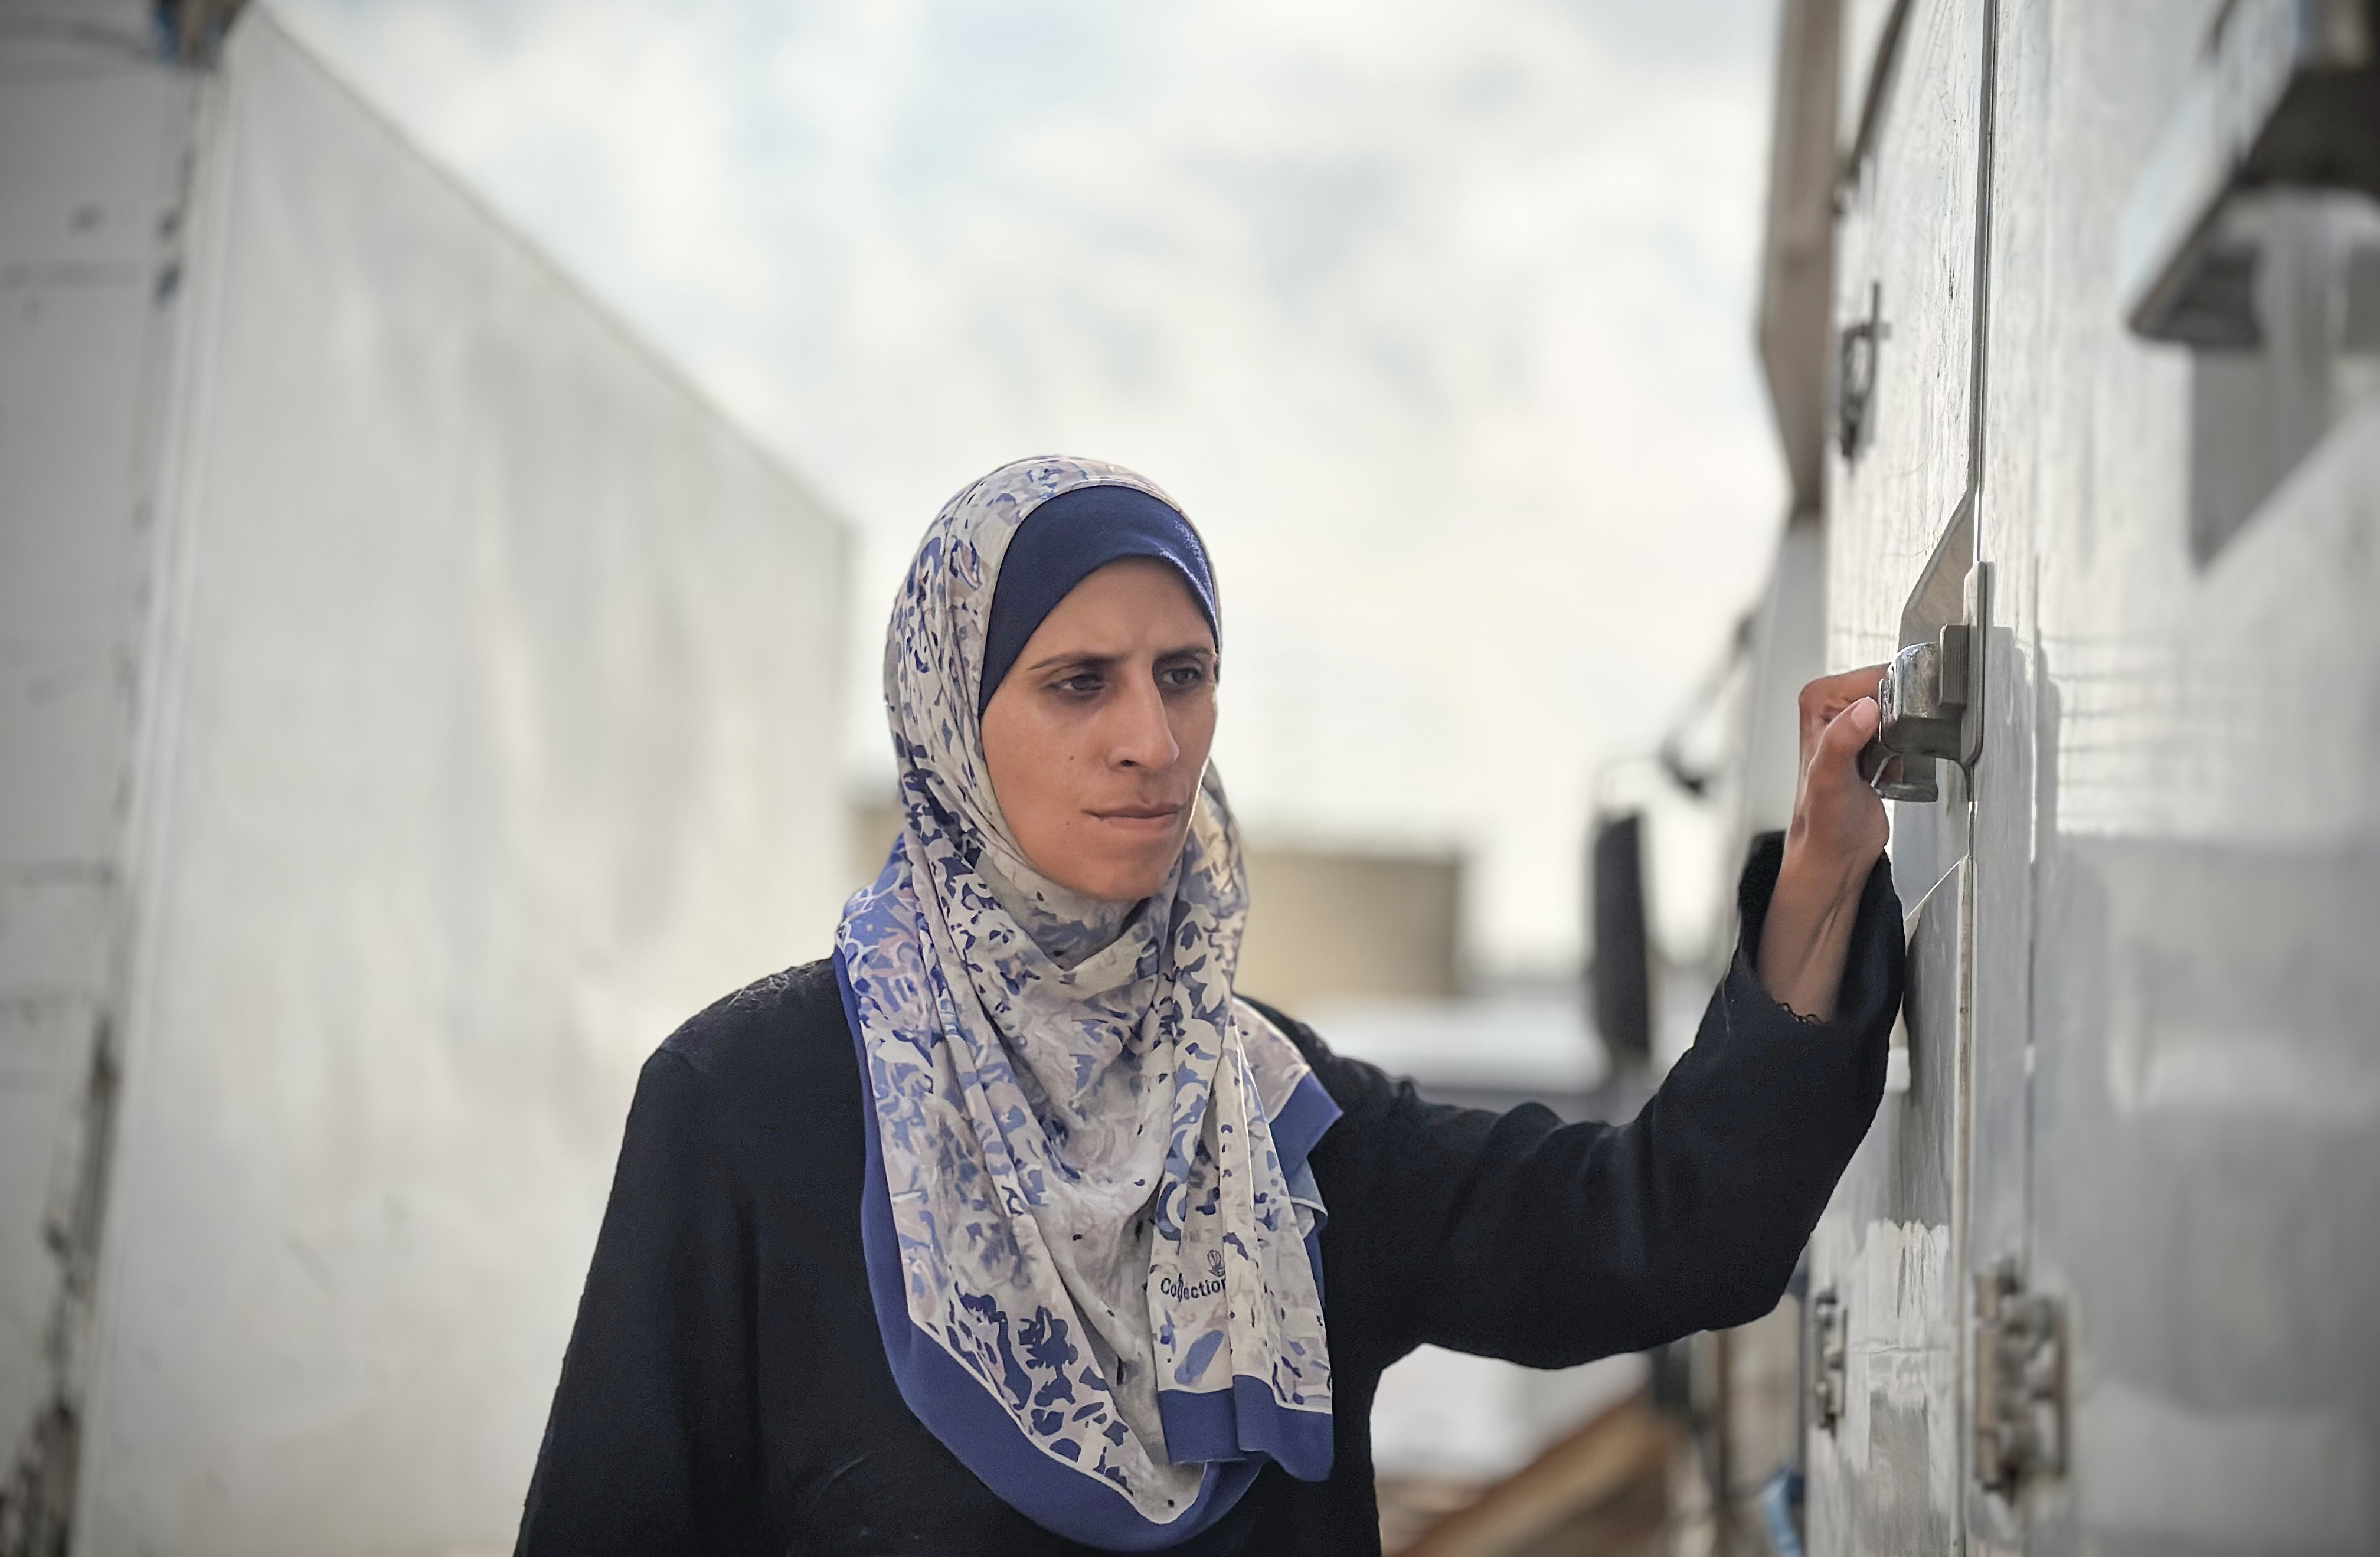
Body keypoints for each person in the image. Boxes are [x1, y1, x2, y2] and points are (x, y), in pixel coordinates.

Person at [516, 456, 1902, 1556]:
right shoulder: (747, 1105)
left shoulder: (1281, 1121)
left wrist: (1823, 879)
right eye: (1079, 683)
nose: (1153, 739)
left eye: (1185, 674)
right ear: (950, 720)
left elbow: (1661, 1234)